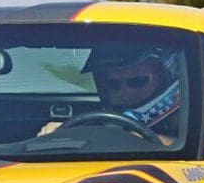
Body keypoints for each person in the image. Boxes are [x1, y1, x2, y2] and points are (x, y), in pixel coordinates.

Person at [38, 47, 185, 145]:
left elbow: (191, 151)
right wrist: (59, 133)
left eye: (137, 81)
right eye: (112, 84)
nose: (124, 91)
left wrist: (131, 138)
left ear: (167, 79)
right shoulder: (95, 121)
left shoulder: (189, 116)